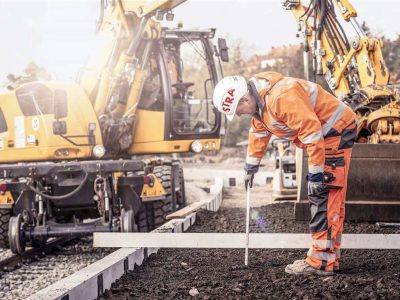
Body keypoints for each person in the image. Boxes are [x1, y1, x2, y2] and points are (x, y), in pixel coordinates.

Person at [212, 72, 356, 276]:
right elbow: (259, 133)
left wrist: (315, 175)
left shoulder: (281, 97)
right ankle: (329, 258)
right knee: (328, 196)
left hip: (334, 132)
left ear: (245, 98)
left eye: (237, 109)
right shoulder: (260, 104)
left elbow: (312, 133)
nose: (237, 115)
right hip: (325, 133)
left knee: (323, 194)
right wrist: (250, 166)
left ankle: (320, 262)